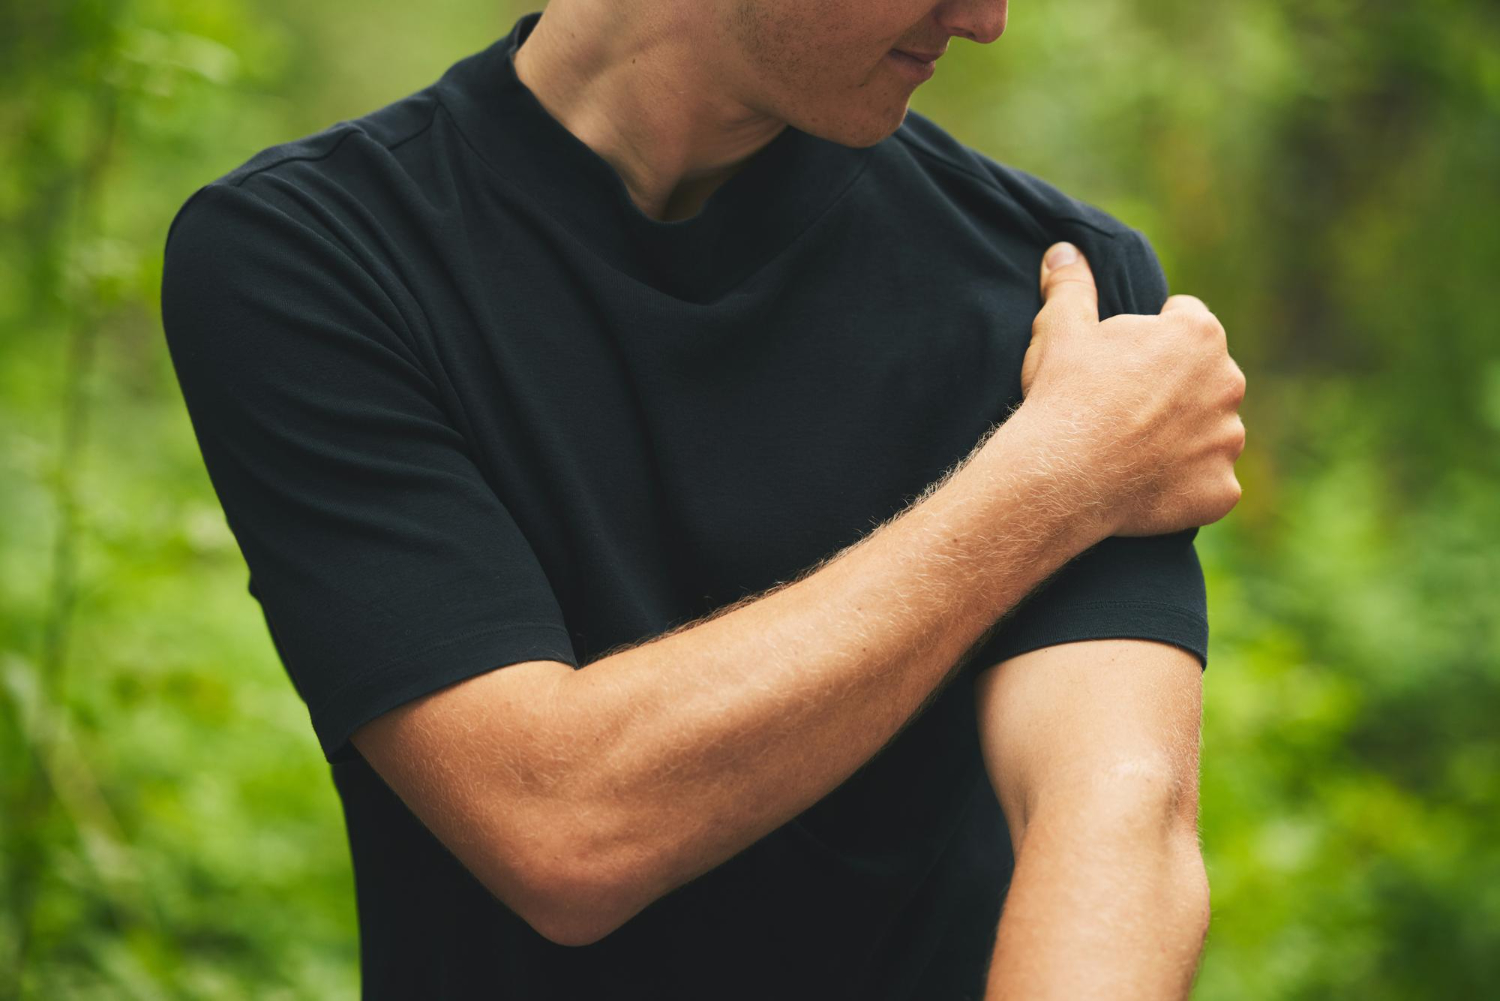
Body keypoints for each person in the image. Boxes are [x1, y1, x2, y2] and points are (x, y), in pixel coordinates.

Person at [159, 1, 1246, 997]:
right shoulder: (309, 257)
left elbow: (1118, 817)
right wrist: (1052, 479)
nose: (986, 19)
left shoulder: (1063, 294)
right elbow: (561, 823)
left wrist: (1071, 456)